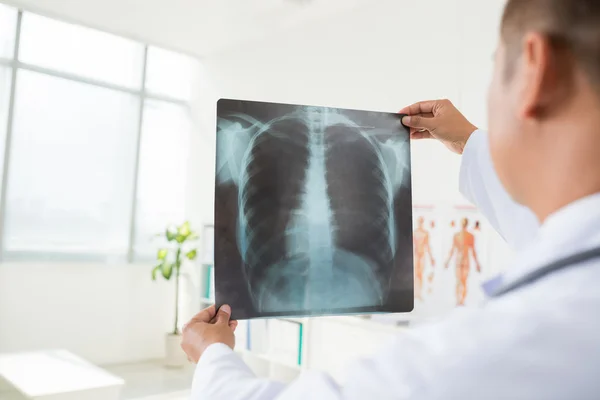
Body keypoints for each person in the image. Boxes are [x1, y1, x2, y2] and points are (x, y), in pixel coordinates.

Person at [182, 0, 600, 398]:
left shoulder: (515, 345)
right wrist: (469, 143)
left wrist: (212, 356)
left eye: (495, 70)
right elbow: (550, 232)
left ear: (535, 70)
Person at [445, 217, 481, 306]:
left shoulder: (461, 236)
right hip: (463, 260)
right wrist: (447, 261)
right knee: (462, 281)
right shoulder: (466, 236)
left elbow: (472, 250)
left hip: (461, 260)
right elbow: (472, 251)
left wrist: (448, 261)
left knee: (460, 281)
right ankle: (460, 301)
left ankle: (460, 301)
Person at [414, 216, 435, 301]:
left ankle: (419, 293)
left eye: (421, 221)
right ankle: (415, 293)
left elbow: (428, 246)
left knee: (420, 274)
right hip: (415, 255)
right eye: (419, 221)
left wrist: (431, 258)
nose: (420, 223)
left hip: (422, 255)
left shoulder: (426, 233)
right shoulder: (414, 232)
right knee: (416, 274)